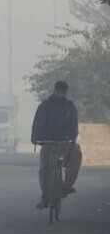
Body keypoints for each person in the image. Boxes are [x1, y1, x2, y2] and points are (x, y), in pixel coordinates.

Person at [31, 80, 82, 210]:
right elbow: (37, 123)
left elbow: (74, 126)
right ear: (54, 91)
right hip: (48, 142)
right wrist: (35, 138)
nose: (61, 95)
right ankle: (46, 196)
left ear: (66, 93)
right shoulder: (45, 106)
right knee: (44, 167)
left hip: (65, 141)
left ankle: (65, 187)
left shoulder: (70, 107)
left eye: (63, 92)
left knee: (76, 155)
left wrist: (72, 139)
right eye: (59, 92)